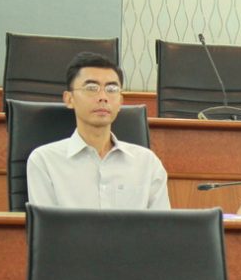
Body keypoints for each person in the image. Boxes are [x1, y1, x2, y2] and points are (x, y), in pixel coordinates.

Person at [27, 52, 170, 209]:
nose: (103, 97)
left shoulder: (147, 163)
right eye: (91, 88)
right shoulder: (45, 161)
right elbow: (44, 224)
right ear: (69, 99)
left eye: (111, 88)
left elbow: (162, 224)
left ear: (120, 101)